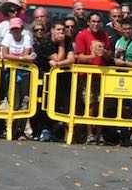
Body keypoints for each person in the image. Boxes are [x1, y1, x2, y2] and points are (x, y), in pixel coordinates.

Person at [34, 21, 75, 142]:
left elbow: (71, 59)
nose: (61, 32)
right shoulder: (46, 42)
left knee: (59, 104)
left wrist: (58, 64)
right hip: (44, 77)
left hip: (60, 78)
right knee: (43, 104)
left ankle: (56, 131)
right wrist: (61, 45)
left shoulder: (67, 40)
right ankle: (42, 130)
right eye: (58, 29)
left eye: (62, 30)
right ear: (52, 30)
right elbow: (58, 58)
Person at [73, 12, 111, 144]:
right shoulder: (82, 35)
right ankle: (90, 134)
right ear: (88, 22)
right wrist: (93, 56)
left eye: (98, 21)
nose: (96, 24)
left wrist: (104, 53)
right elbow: (79, 57)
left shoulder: (104, 35)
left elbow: (109, 55)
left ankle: (99, 134)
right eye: (93, 21)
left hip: (101, 75)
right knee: (89, 104)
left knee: (100, 105)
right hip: (86, 76)